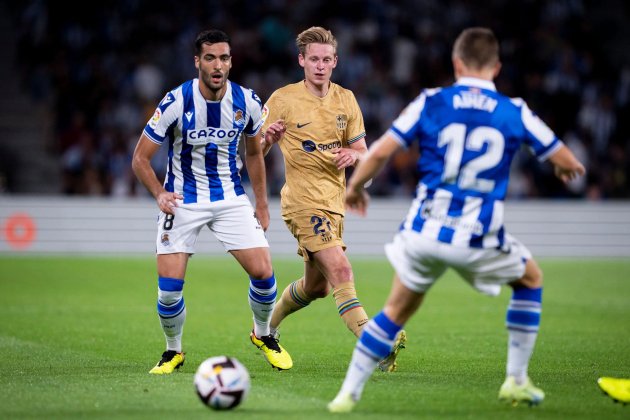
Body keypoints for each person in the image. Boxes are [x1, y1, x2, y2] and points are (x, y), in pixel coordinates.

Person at [328, 27, 586, 412]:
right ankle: (515, 380)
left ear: (456, 63)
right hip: (478, 235)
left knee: (396, 310)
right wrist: (566, 168)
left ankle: (347, 393)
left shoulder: (432, 101)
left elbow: (380, 151)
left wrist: (356, 188)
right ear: (496, 66)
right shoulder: (513, 110)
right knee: (530, 278)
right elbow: (565, 159)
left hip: (424, 231)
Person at [131, 29, 292, 374]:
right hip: (183, 200)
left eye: (223, 58)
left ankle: (263, 334)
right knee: (169, 291)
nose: (217, 65)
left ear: (231, 62)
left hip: (230, 197)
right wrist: (159, 192)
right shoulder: (176, 102)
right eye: (210, 58)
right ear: (197, 62)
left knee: (264, 273)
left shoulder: (246, 101)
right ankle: (173, 351)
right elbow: (140, 158)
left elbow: (254, 153)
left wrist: (262, 204)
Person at [261, 26, 406, 371]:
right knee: (341, 268)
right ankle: (375, 345)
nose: (320, 66)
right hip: (301, 202)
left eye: (326, 59)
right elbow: (252, 150)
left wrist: (353, 157)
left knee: (317, 287)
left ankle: (265, 328)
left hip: (334, 204)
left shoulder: (346, 99)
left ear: (335, 62)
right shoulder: (282, 99)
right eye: (314, 59)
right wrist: (266, 137)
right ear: (302, 61)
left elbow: (363, 153)